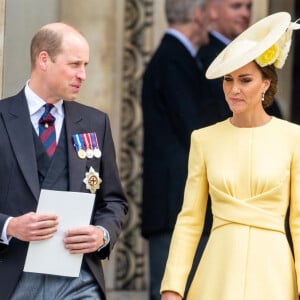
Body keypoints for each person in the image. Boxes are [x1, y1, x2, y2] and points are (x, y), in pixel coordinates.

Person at [161, 11, 300, 300]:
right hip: (217, 271)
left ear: (265, 83)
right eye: (228, 79)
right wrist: (172, 287)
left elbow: (299, 222)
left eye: (245, 80)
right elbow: (190, 220)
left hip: (274, 274)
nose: (233, 89)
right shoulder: (204, 139)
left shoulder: (293, 138)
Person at [0, 22, 128, 300]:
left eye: (85, 65)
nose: (82, 75)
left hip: (80, 279)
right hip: (12, 279)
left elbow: (114, 201)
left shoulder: (96, 122)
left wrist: (101, 234)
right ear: (44, 59)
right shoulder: (1, 118)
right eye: (74, 64)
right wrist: (9, 226)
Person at [141, 1, 213, 299]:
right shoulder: (173, 59)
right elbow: (194, 127)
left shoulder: (179, 57)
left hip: (177, 204)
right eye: (208, 12)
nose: (211, 19)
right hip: (174, 205)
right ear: (198, 15)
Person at [197, 0, 283, 118]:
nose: (245, 13)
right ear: (213, 10)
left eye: (248, 7)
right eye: (236, 6)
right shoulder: (209, 57)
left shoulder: (250, 49)